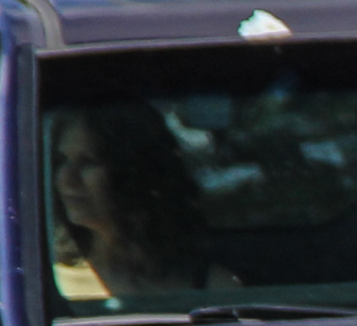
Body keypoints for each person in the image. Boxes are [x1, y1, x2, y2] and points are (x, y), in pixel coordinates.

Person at [53, 104, 236, 299]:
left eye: (88, 162)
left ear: (135, 173)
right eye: (61, 160)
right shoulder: (38, 283)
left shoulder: (213, 287)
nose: (66, 179)